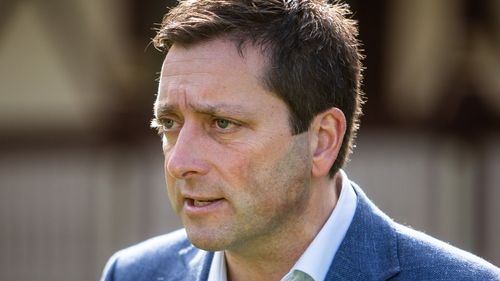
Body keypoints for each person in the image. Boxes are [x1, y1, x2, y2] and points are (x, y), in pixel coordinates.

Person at [101, 0, 500, 280]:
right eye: (168, 123)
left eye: (222, 124)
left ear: (322, 140)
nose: (178, 162)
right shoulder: (133, 274)